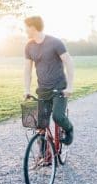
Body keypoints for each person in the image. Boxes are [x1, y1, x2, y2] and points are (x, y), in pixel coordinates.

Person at [23, 16, 75, 145]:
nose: (25, 31)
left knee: (57, 116)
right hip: (43, 90)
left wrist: (70, 86)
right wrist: (27, 90)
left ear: (33, 27)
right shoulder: (29, 46)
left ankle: (69, 129)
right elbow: (27, 70)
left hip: (59, 88)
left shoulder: (55, 42)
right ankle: (44, 153)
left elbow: (69, 62)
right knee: (39, 123)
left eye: (26, 28)